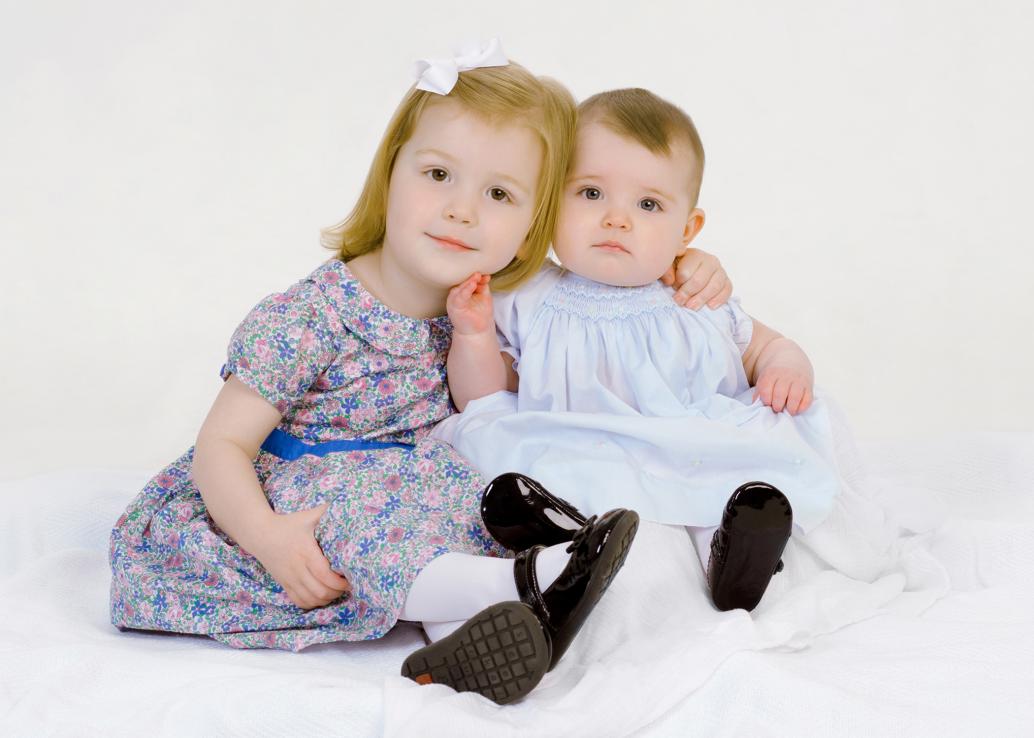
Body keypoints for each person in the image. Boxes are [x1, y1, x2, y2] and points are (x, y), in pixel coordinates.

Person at [108, 47, 725, 704]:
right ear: (389, 177)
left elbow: (606, 289)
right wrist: (267, 538)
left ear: (532, 226)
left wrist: (685, 262)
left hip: (421, 487)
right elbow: (220, 445)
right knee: (363, 531)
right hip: (302, 499)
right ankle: (536, 583)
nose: (462, 211)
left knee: (480, 507)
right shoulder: (311, 316)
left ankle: (471, 643)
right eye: (438, 174)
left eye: (498, 194)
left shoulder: (500, 306)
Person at [435, 87, 841, 614]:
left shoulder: (693, 291)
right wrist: (472, 336)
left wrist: (785, 366)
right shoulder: (527, 293)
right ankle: (565, 535)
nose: (616, 219)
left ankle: (734, 553)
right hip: (575, 442)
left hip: (682, 444)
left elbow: (765, 344)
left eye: (648, 204)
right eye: (590, 194)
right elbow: (484, 397)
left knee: (721, 472)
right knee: (505, 450)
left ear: (685, 230)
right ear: (550, 199)